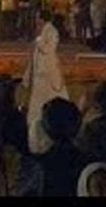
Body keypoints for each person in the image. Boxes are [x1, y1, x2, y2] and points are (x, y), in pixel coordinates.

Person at [23, 10, 68, 154]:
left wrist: (38, 41)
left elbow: (49, 49)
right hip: (40, 72)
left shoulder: (52, 31)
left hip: (48, 71)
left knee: (50, 95)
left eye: (38, 18)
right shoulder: (44, 31)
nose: (37, 21)